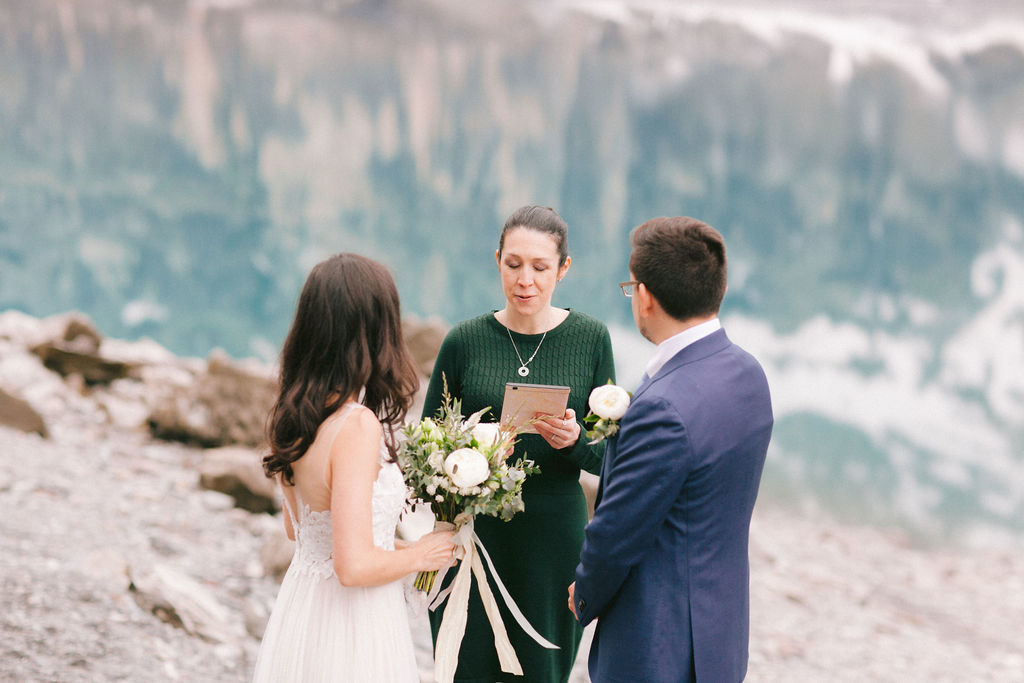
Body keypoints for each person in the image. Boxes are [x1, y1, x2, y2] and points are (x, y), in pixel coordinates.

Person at [569, 217, 774, 682]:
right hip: (720, 630)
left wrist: (584, 591)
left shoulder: (662, 406)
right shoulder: (748, 374)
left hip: (657, 646)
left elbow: (618, 531)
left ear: (643, 296)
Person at [423, 205, 615, 682]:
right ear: (497, 261)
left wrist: (574, 441)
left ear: (563, 269)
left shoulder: (591, 338)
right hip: (473, 535)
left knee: (542, 670)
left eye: (539, 267)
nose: (524, 279)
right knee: (464, 667)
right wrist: (469, 454)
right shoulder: (464, 340)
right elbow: (425, 451)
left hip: (555, 539)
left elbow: (610, 454)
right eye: (513, 264)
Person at [253, 253, 455, 682]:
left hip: (304, 610)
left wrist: (397, 549)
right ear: (374, 331)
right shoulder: (356, 426)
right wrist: (421, 555)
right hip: (351, 623)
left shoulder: (295, 411)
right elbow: (352, 567)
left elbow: (305, 532)